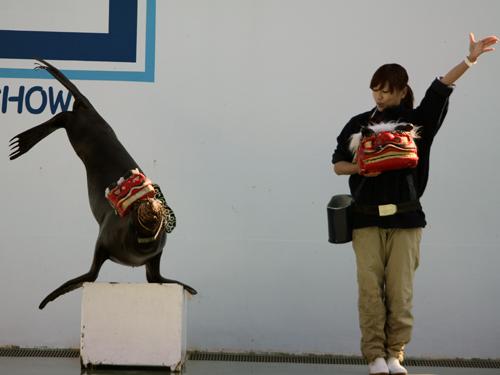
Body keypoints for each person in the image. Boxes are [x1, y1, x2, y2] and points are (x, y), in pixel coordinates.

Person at [331, 33, 497, 375]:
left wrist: (470, 60)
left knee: (401, 292)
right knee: (369, 290)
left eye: (387, 89)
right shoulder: (358, 125)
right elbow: (337, 164)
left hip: (407, 220)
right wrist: (361, 167)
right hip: (364, 221)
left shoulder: (415, 124)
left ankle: (395, 355)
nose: (380, 95)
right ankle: (375, 356)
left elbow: (439, 91)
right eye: (376, 88)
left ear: (402, 91)